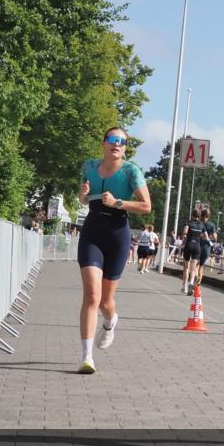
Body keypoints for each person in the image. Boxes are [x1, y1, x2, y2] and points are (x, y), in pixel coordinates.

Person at [76, 127, 151, 374]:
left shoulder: (131, 171)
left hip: (118, 234)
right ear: (104, 143)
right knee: (91, 295)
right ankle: (87, 357)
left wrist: (118, 202)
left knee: (105, 301)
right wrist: (83, 196)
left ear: (125, 148)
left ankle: (110, 321)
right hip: (92, 232)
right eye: (112, 139)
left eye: (122, 141)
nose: (116, 144)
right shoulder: (89, 166)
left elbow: (146, 206)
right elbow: (84, 199)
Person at [180, 209, 207, 295]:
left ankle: (184, 287)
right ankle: (191, 283)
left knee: (186, 267)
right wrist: (199, 235)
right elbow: (206, 237)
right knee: (193, 268)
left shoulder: (188, 222)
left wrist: (186, 235)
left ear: (192, 215)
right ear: (200, 216)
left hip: (189, 245)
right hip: (197, 246)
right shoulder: (202, 225)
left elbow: (185, 232)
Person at [196, 207, 217, 286]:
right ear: (209, 216)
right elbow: (215, 237)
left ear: (201, 215)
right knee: (201, 266)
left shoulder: (198, 223)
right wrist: (208, 237)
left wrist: (201, 236)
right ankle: (197, 285)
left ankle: (194, 280)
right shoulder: (211, 225)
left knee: (196, 265)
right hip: (206, 248)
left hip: (197, 245)